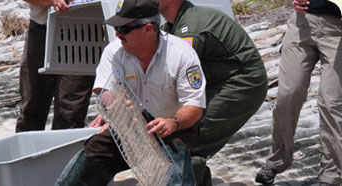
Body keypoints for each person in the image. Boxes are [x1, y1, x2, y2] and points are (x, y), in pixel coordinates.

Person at [55, 0, 206, 184]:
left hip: (171, 126)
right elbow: (104, 90)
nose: (118, 34)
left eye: (124, 29)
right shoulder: (114, 52)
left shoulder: (182, 53)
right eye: (116, 28)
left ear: (148, 29)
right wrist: (115, 109)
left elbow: (194, 106)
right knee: (93, 152)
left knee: (174, 172)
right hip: (130, 122)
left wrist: (172, 122)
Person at [156, 0, 269, 185]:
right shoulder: (173, 24)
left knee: (186, 141)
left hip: (240, 85)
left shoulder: (191, 28)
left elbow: (172, 75)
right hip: (216, 82)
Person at [256, 0, 342, 185]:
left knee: (331, 102)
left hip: (338, 30)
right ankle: (276, 161)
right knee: (287, 94)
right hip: (301, 24)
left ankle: (331, 174)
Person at [16, 0, 95, 132]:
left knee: (70, 112)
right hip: (42, 30)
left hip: (84, 31)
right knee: (32, 106)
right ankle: (28, 151)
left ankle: (64, 152)